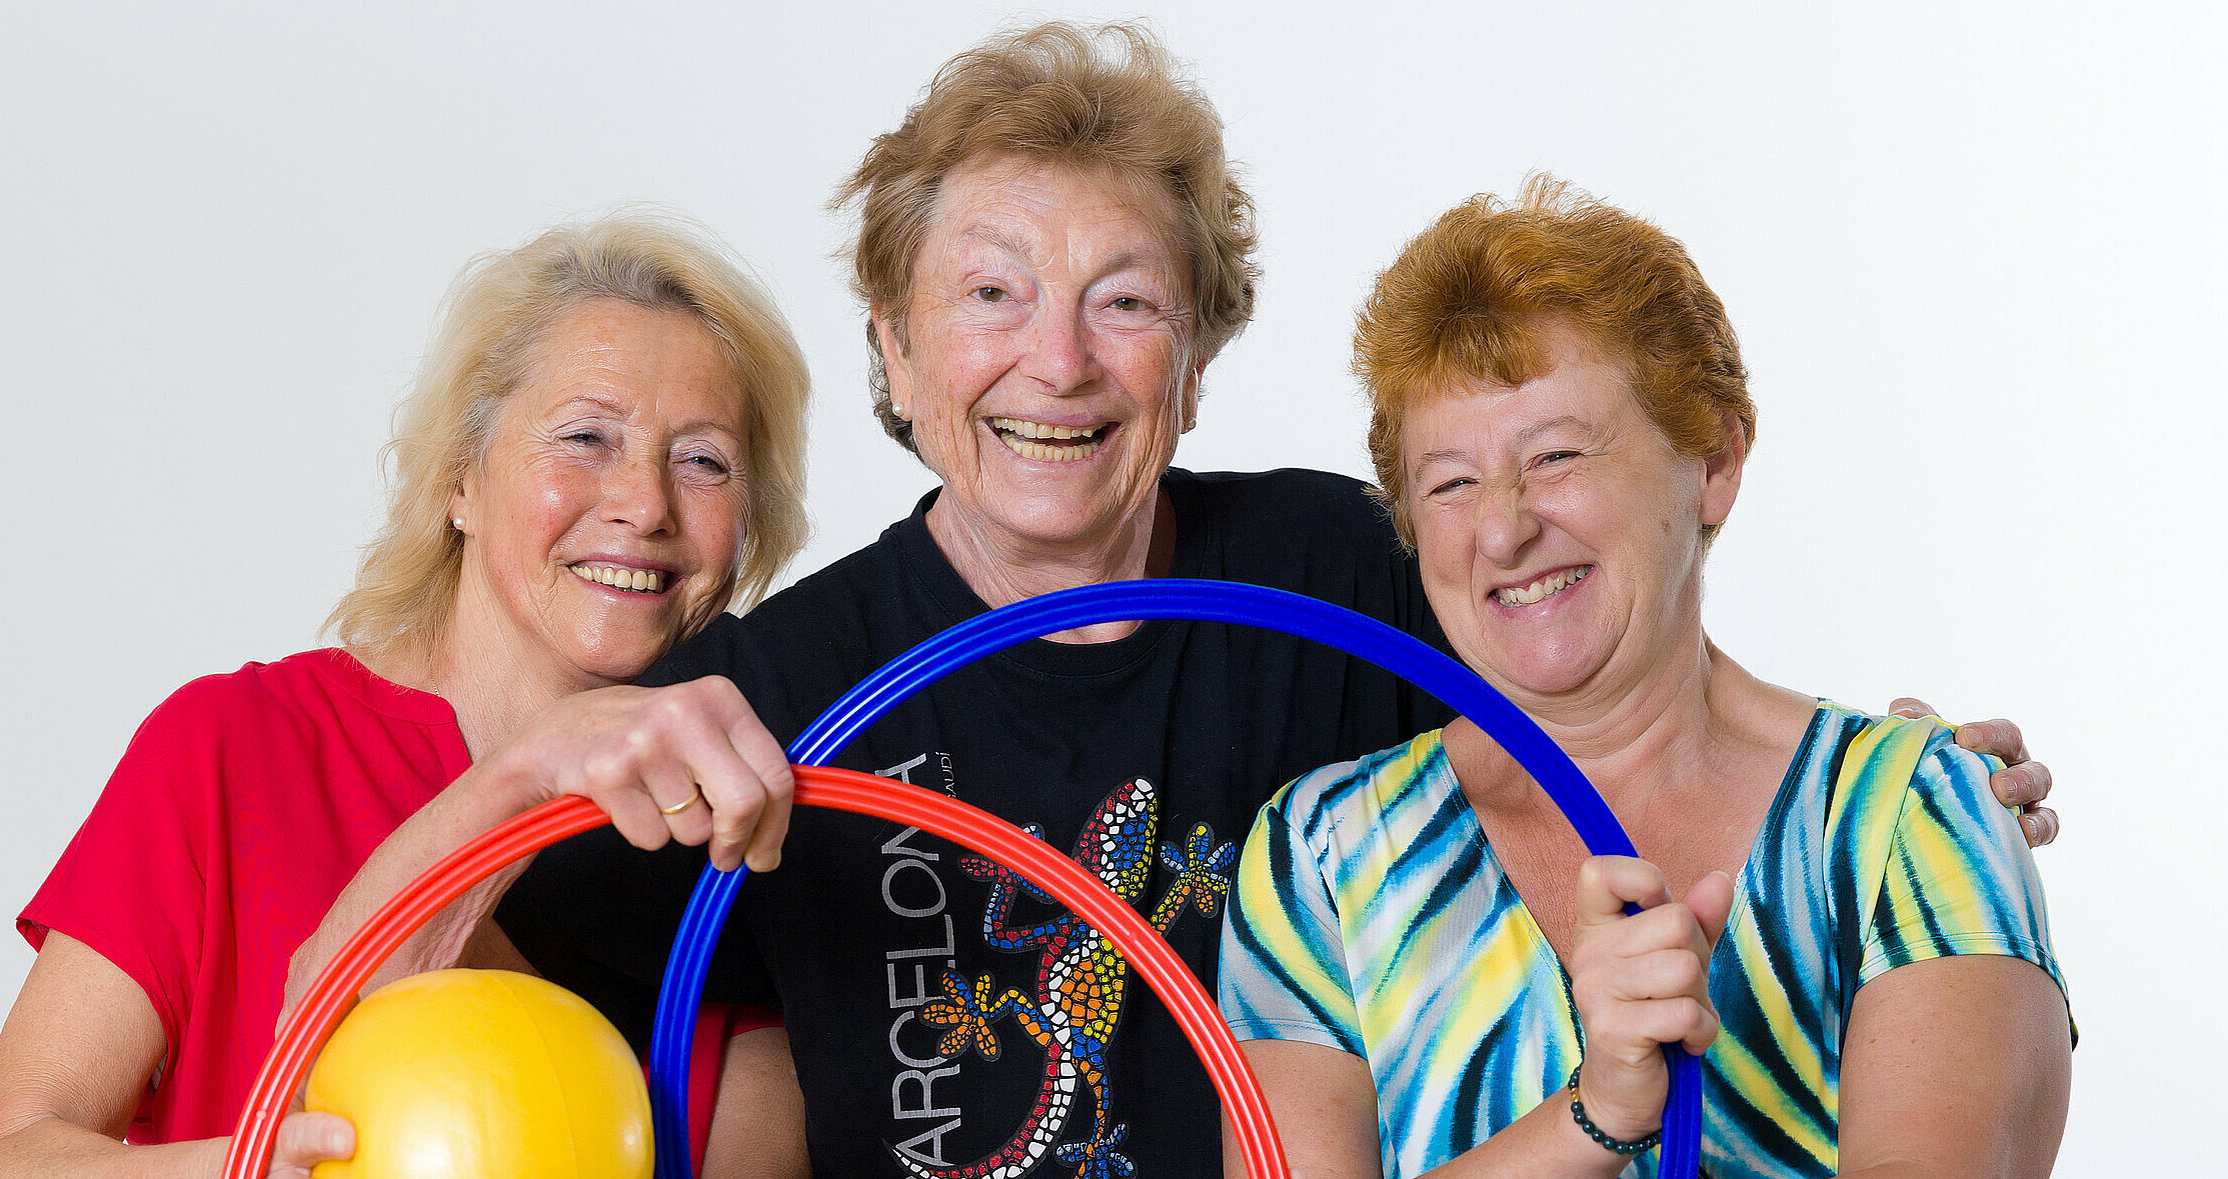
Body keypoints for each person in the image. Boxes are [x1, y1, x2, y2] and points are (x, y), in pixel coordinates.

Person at [294, 23, 2059, 1179]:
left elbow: (1592, 645)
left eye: (1125, 301)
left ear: (1197, 359)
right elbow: (345, 1013)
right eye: (990, 292)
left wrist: (1874, 786)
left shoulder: (1334, 571)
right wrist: (530, 769)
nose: (1056, 362)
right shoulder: (775, 687)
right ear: (895, 352)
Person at [1216, 179, 2073, 1179]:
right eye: (1449, 481)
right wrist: (1597, 1115)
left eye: (1555, 455)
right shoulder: (1322, 856)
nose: (1502, 528)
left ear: (1713, 462)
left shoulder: (1911, 815)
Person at [0, 213, 813, 1179]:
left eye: (702, 460)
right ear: (459, 480)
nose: (645, 504)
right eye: (585, 437)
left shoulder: (752, 829)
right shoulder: (236, 748)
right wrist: (233, 1169)